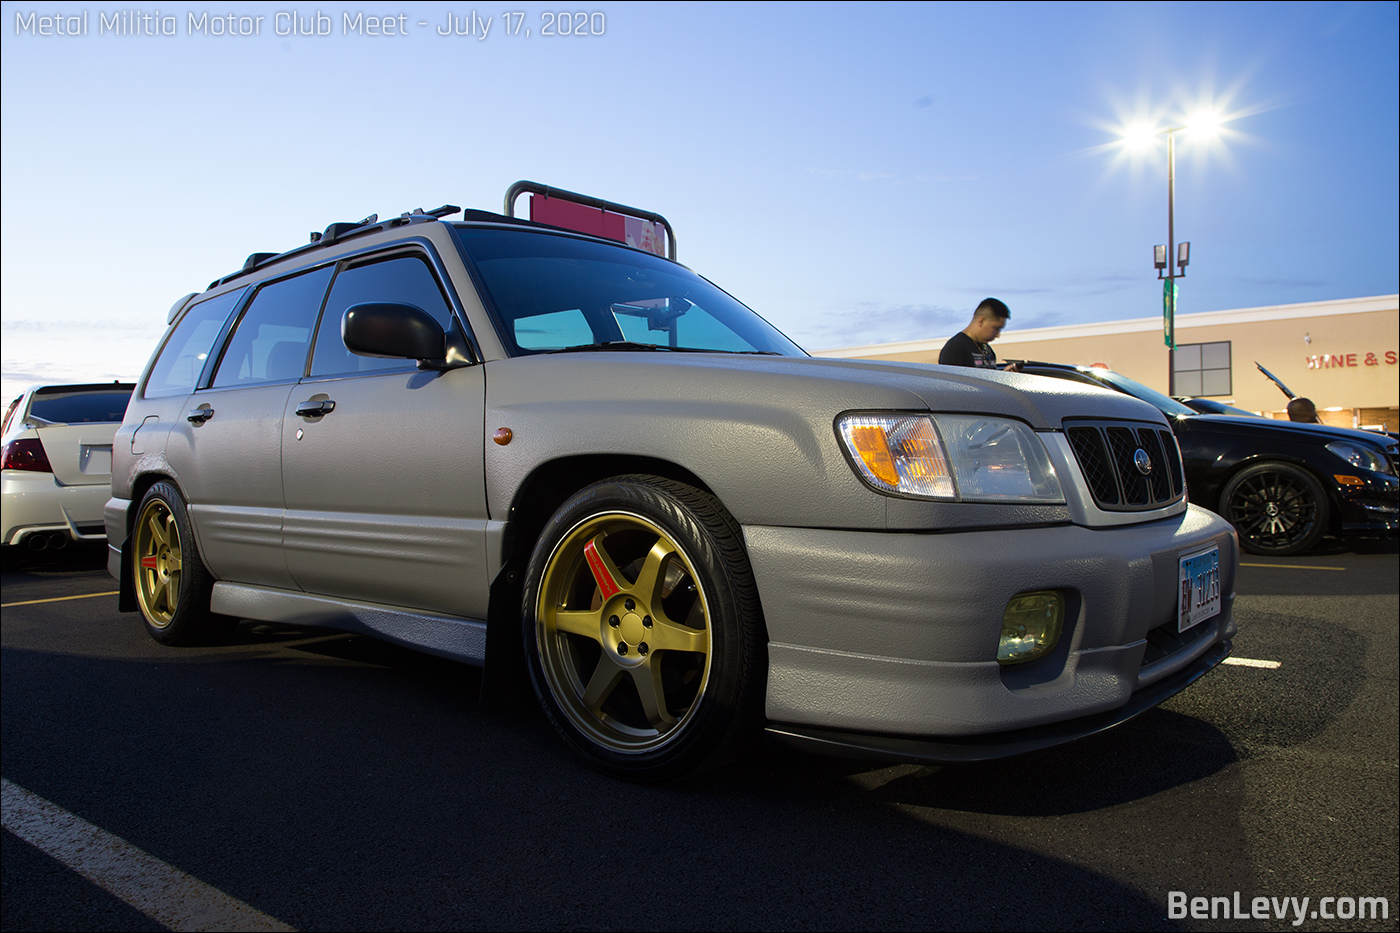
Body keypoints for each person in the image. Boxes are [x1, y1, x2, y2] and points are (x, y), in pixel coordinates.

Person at [938, 298, 1020, 372]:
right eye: (996, 328)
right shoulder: (955, 348)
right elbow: (952, 385)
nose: (997, 335)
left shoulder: (987, 349)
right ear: (982, 321)